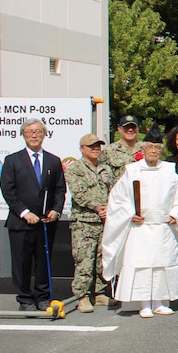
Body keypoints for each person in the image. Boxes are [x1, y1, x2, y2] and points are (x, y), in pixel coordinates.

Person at [101, 127, 178, 318]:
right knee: (142, 266)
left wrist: (176, 213)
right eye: (150, 147)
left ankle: (161, 302)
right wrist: (130, 214)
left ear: (161, 149)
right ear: (143, 149)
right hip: (140, 228)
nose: (153, 151)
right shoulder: (132, 171)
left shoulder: (170, 171)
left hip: (163, 227)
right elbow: (118, 199)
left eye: (157, 147)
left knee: (163, 265)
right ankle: (144, 303)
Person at [0, 118, 66, 311]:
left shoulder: (53, 161)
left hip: (45, 222)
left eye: (38, 131)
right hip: (21, 223)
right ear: (23, 135)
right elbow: (8, 190)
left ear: (45, 134)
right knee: (22, 263)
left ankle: (43, 297)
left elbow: (60, 189)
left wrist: (56, 210)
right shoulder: (12, 160)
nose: (34, 135)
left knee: (43, 262)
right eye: (30, 132)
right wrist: (25, 212)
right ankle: (25, 299)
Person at [63, 133, 114, 313]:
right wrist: (97, 207)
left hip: (104, 221)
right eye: (91, 146)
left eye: (98, 146)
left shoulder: (106, 169)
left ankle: (99, 293)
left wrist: (109, 207)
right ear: (82, 149)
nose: (95, 149)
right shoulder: (75, 169)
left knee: (102, 259)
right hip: (84, 222)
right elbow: (79, 193)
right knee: (85, 260)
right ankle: (82, 296)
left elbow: (114, 189)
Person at [100, 115, 141, 185]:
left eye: (133, 127)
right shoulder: (109, 151)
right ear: (119, 129)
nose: (130, 130)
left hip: (142, 192)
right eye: (126, 127)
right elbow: (103, 179)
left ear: (137, 129)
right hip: (119, 193)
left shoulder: (146, 149)